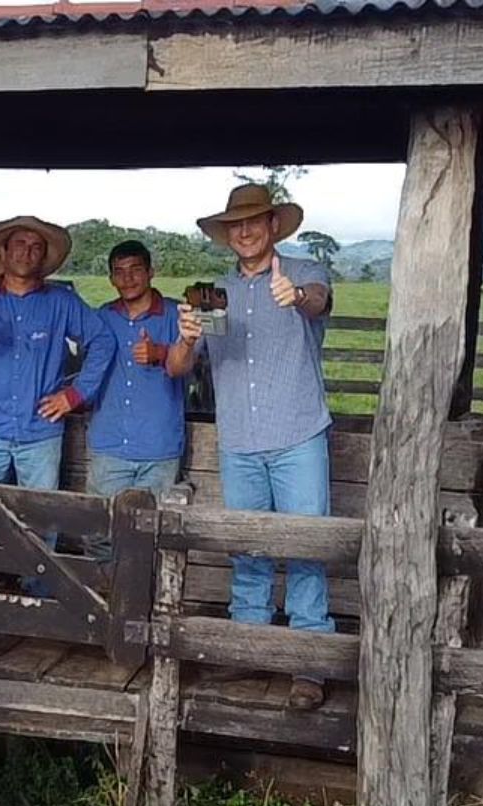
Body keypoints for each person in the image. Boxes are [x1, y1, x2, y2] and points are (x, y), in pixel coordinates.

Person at [178, 182, 336, 711]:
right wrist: (183, 335)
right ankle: (248, 648)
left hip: (297, 433)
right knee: (247, 548)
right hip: (239, 438)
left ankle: (308, 662)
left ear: (273, 227)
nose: (244, 231)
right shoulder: (212, 292)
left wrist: (296, 297)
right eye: (235, 225)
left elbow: (319, 302)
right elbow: (179, 367)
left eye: (255, 222)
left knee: (306, 546)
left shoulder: (303, 274)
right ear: (227, 236)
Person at [0, 215, 116, 495]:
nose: (27, 252)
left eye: (36, 247)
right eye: (19, 244)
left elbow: (103, 340)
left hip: (41, 435)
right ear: (4, 253)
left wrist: (76, 393)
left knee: (39, 522)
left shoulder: (61, 301)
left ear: (43, 257)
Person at [80, 239, 195, 558]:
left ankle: (145, 608)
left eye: (135, 270)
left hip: (158, 447)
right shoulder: (101, 317)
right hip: (108, 444)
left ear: (151, 273)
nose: (127, 279)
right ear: (110, 279)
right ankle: (103, 605)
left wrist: (161, 352)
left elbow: (190, 365)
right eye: (119, 272)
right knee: (99, 534)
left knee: (155, 538)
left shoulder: (177, 316)